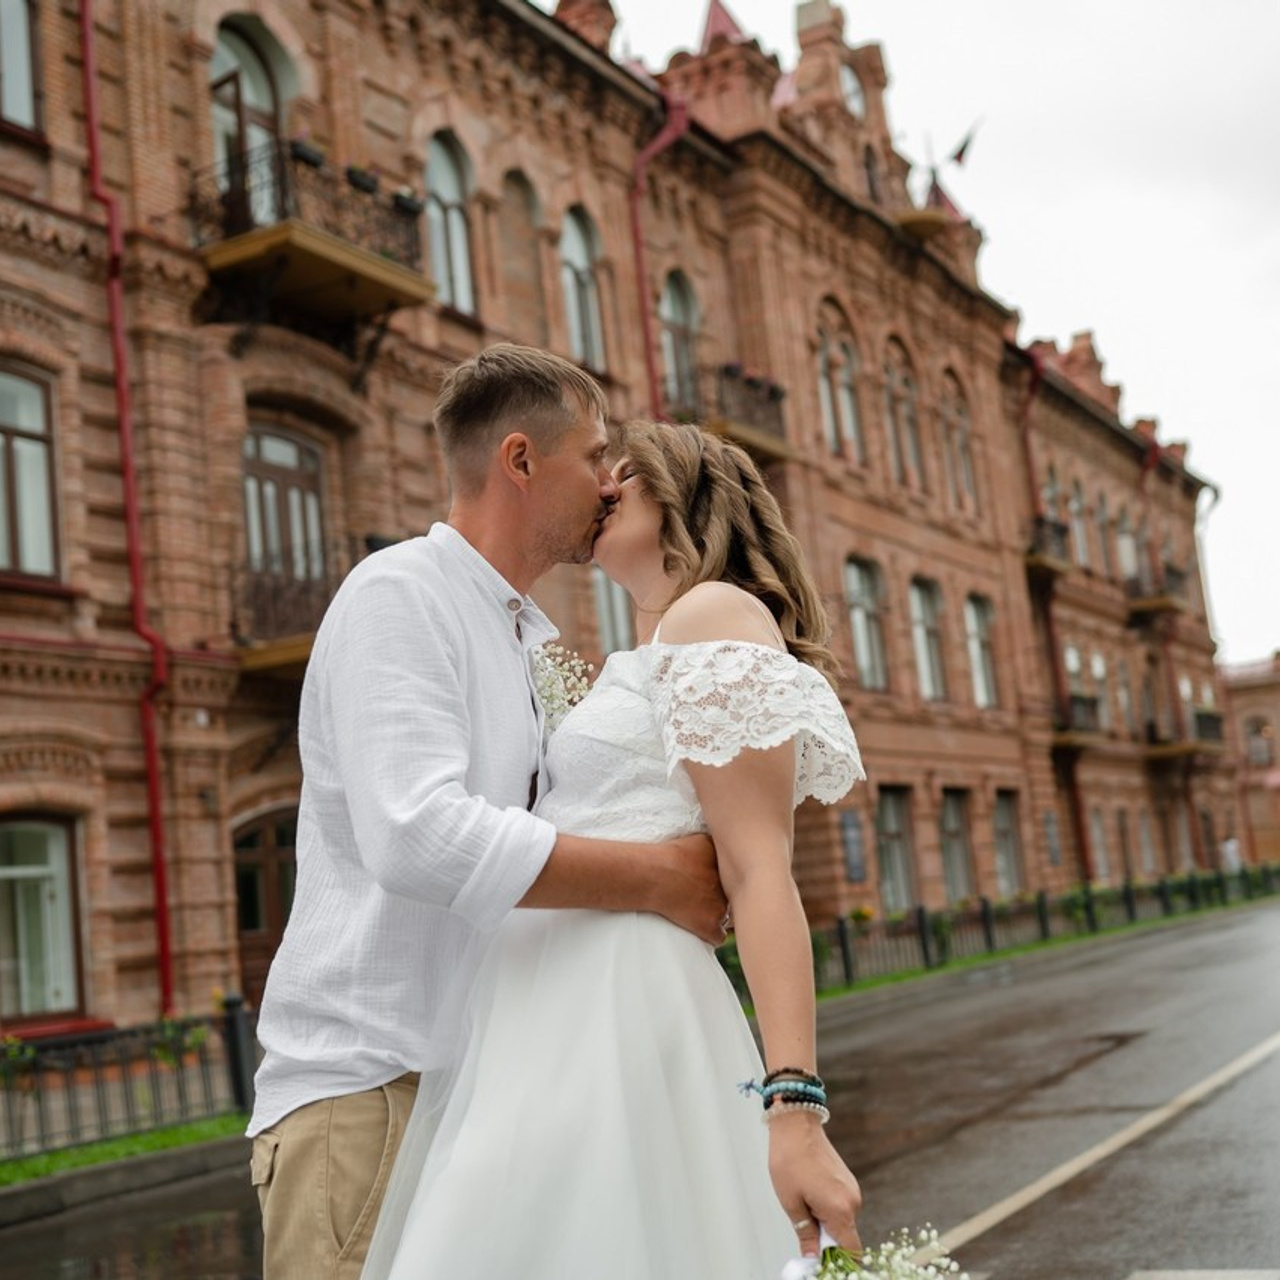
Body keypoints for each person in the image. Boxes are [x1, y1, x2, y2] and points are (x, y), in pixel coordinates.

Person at [247, 347, 729, 1280]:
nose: (609, 480)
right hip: (371, 1096)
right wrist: (663, 877)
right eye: (593, 455)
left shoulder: (532, 634)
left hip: (484, 1093)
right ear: (518, 460)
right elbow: (417, 834)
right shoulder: (401, 595)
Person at [362, 420, 867, 1280]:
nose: (601, 489)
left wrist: (797, 1106)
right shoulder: (661, 642)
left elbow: (757, 870)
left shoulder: (715, 613)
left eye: (621, 474)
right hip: (546, 1004)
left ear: (683, 498)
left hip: (619, 998)